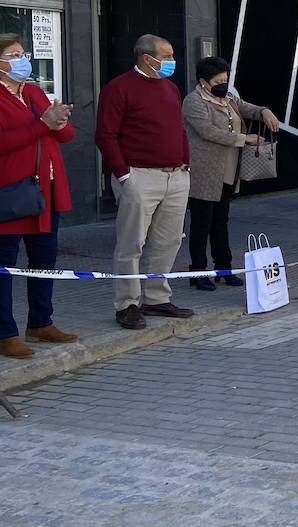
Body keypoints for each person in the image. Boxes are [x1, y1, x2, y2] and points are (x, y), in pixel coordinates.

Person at [94, 35, 195, 331]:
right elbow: (105, 135)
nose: (171, 61)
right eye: (166, 56)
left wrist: (185, 161)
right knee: (131, 243)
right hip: (139, 176)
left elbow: (178, 127)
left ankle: (156, 297)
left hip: (175, 175)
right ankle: (127, 304)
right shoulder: (119, 88)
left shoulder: (170, 87)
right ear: (145, 57)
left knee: (169, 241)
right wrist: (124, 175)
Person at [0, 34, 76, 358]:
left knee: (43, 261)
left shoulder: (32, 91)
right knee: (4, 266)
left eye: (23, 53)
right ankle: (5, 332)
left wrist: (58, 120)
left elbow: (67, 136)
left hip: (46, 191)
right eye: (14, 54)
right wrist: (43, 124)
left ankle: (41, 322)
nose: (22, 59)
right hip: (12, 195)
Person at [181, 57, 280, 292]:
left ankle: (224, 268)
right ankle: (198, 271)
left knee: (221, 222)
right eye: (218, 80)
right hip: (205, 172)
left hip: (228, 172)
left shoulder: (227, 98)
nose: (223, 84)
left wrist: (264, 111)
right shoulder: (194, 102)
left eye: (226, 79)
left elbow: (246, 108)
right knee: (201, 223)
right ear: (204, 82)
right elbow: (208, 132)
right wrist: (245, 139)